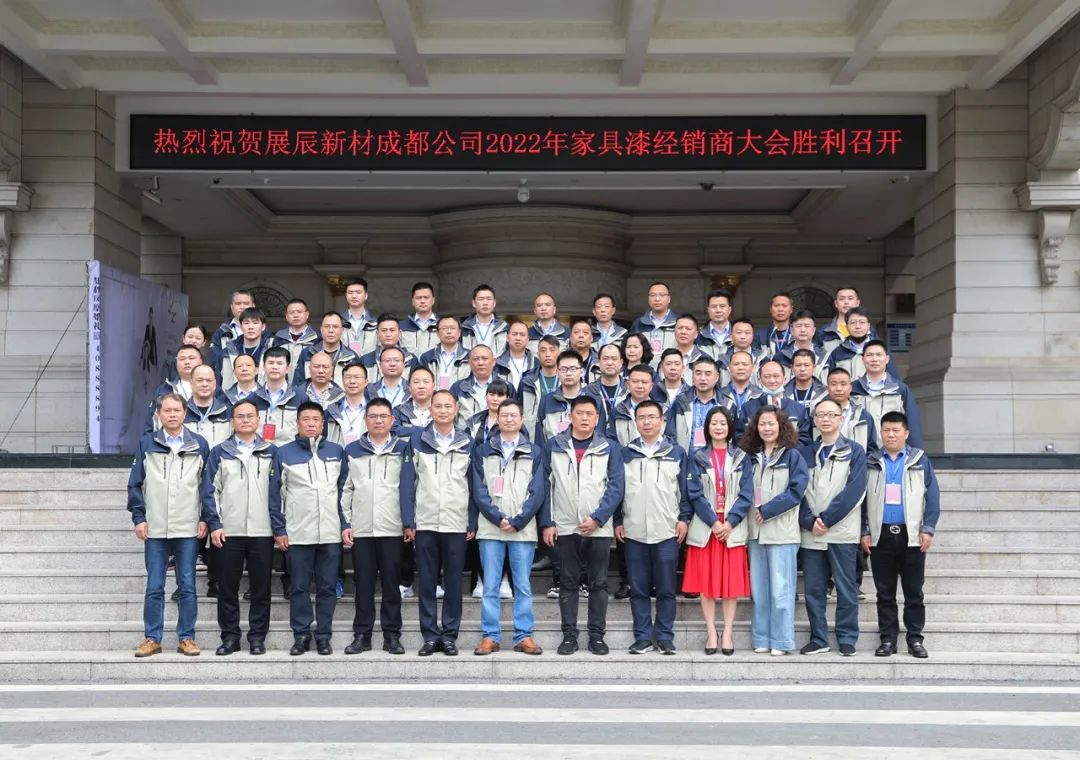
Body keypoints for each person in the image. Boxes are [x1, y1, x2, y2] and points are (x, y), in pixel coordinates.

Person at [127, 393, 213, 658]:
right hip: (155, 528)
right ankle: (152, 638)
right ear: (159, 414)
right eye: (167, 410)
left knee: (187, 585)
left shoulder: (199, 444)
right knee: (154, 586)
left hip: (188, 527)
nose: (172, 415)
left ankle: (187, 638)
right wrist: (139, 518)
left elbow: (207, 487)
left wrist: (205, 518)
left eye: (177, 410)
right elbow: (135, 484)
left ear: (185, 413)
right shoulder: (147, 444)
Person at [542, 395, 624, 656]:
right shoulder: (554, 445)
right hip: (565, 526)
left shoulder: (609, 447)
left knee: (599, 583)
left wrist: (598, 518)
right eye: (580, 413)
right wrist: (548, 522)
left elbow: (616, 486)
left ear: (597, 418)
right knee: (568, 582)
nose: (585, 418)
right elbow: (545, 486)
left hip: (598, 527)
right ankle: (569, 635)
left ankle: (597, 636)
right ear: (571, 416)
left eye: (590, 414)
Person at [203, 399, 280, 656]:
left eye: (250, 416)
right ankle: (230, 638)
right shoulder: (219, 452)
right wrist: (215, 524)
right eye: (240, 416)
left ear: (258, 420)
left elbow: (279, 492)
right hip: (229, 531)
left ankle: (257, 637)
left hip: (262, 531)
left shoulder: (271, 452)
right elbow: (210, 491)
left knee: (261, 589)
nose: (245, 420)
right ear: (232, 421)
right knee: (227, 588)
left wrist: (278, 527)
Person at [616, 400, 693, 655]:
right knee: (638, 589)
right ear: (635, 422)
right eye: (642, 418)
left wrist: (684, 519)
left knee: (666, 589)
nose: (647, 422)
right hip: (634, 530)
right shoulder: (626, 453)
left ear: (662, 421)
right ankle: (642, 637)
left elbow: (685, 492)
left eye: (652, 417)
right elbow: (616, 490)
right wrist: (617, 521)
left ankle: (664, 636)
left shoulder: (676, 452)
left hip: (666, 531)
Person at [470, 399, 546, 656]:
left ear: (522, 419)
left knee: (522, 585)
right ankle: (490, 636)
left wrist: (519, 520)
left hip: (522, 530)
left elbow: (537, 491)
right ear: (497, 419)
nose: (509, 419)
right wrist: (497, 517)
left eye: (514, 415)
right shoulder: (483, 450)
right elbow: (479, 490)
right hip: (491, 529)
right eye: (505, 415)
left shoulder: (534, 452)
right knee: (490, 585)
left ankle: (523, 635)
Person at [271, 402, 348, 656]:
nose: (311, 424)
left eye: (316, 419)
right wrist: (279, 529)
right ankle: (301, 635)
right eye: (306, 419)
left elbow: (344, 492)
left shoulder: (336, 451)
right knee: (299, 587)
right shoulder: (284, 453)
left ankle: (323, 636)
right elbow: (276, 495)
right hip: (298, 533)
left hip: (330, 532)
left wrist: (345, 524)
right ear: (298, 423)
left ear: (323, 424)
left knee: (327, 587)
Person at [863, 411, 940, 659]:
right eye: (886, 430)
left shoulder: (919, 461)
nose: (891, 435)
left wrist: (928, 528)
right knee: (884, 593)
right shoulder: (871, 462)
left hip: (912, 536)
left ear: (906, 434)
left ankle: (915, 639)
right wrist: (864, 530)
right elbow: (862, 500)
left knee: (914, 592)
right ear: (881, 433)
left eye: (896, 430)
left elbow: (933, 497)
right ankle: (887, 640)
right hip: (881, 535)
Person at [340, 398, 414, 656]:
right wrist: (346, 523)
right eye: (373, 416)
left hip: (393, 529)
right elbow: (346, 489)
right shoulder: (353, 450)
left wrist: (409, 521)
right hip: (362, 529)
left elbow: (410, 487)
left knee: (392, 585)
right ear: (365, 420)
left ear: (392, 420)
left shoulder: (403, 449)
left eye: (384, 416)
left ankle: (392, 635)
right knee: (363, 585)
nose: (379, 421)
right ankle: (362, 635)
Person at [405, 390, 475, 657]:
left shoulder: (467, 442)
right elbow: (408, 483)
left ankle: (449, 635)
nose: (443, 411)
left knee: (454, 582)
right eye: (438, 406)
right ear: (430, 410)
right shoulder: (418, 441)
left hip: (456, 522)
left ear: (456, 409)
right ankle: (429, 635)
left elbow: (474, 485)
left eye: (448, 406)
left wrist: (471, 520)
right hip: (425, 522)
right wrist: (409, 519)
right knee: (426, 581)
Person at [798, 398, 868, 657]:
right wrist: (809, 520)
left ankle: (847, 637)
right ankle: (818, 638)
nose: (826, 419)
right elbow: (797, 490)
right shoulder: (805, 453)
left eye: (831, 414)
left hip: (841, 532)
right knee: (814, 590)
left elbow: (855, 491)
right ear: (814, 420)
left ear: (841, 419)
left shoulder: (855, 451)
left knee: (846, 587)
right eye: (821, 415)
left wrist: (826, 519)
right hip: (811, 533)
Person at [683, 406, 753, 655]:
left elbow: (747, 493)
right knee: (706, 583)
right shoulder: (697, 457)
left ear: (730, 426)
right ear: (707, 427)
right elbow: (694, 493)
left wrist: (730, 522)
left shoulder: (741, 457)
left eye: (723, 423)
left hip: (731, 527)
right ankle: (711, 631)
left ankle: (728, 632)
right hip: (707, 526)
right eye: (714, 423)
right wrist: (713, 522)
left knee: (731, 585)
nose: (718, 427)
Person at [741, 405, 809, 656]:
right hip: (756, 532)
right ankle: (761, 637)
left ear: (781, 426)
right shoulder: (750, 457)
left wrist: (768, 509)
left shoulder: (792, 456)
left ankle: (781, 641)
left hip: (782, 531)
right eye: (762, 424)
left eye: (771, 424)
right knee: (759, 590)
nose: (767, 428)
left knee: (782, 590)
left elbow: (796, 491)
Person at [852, 339, 924, 449]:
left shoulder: (900, 389)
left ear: (887, 359)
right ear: (863, 360)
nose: (874, 359)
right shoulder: (852, 389)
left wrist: (915, 453)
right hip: (860, 453)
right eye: (869, 355)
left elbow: (912, 424)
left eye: (879, 355)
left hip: (890, 453)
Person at [745, 360, 812, 446]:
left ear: (784, 379)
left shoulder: (798, 409)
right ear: (760, 381)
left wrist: (789, 452)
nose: (772, 381)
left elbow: (804, 438)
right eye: (767, 377)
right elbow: (741, 436)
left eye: (776, 376)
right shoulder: (748, 408)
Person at [666, 357, 723, 452]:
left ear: (717, 377)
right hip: (686, 457)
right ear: (692, 376)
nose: (703, 378)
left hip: (716, 457)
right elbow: (670, 435)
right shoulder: (681, 401)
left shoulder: (726, 403)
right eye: (698, 373)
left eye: (708, 374)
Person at [251, 346, 301, 447]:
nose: (274, 367)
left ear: (287, 368)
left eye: (279, 363)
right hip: (260, 452)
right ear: (263, 367)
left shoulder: (300, 397)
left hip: (290, 452)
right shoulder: (252, 399)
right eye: (270, 363)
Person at [295, 312, 361, 386]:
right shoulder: (307, 353)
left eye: (335, 326)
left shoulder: (351, 357)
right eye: (327, 326)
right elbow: (298, 384)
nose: (331, 331)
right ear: (321, 329)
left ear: (342, 330)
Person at [215, 307, 273, 391]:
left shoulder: (271, 350)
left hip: (265, 397)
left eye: (255, 323)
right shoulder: (227, 352)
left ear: (263, 327)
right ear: (241, 326)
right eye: (246, 323)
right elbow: (218, 381)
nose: (250, 327)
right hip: (232, 397)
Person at [825, 368, 878, 457]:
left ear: (850, 388)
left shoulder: (863, 416)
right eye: (834, 384)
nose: (838, 388)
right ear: (827, 388)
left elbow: (871, 449)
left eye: (843, 384)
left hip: (856, 463)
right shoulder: (818, 415)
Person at [536, 350, 587, 444]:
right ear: (557, 372)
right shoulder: (547, 401)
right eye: (563, 369)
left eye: (573, 368)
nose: (568, 373)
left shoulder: (592, 399)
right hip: (554, 451)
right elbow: (540, 437)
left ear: (582, 372)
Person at [518, 334, 561, 435]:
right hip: (533, 434)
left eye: (552, 350)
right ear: (537, 354)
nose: (548, 354)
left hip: (560, 435)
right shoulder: (527, 382)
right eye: (543, 350)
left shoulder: (568, 379)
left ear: (559, 353)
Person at [817, 286, 877, 356]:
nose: (846, 302)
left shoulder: (870, 331)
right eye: (842, 299)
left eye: (850, 298)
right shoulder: (823, 331)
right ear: (836, 303)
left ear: (857, 302)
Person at [181, 365, 232, 447]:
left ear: (214, 384)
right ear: (191, 383)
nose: (204, 384)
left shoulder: (228, 413)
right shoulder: (181, 412)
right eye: (200, 380)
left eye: (208, 380)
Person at [450, 344, 500, 427]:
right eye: (476, 359)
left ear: (494, 361)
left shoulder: (506, 387)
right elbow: (449, 417)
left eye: (485, 358)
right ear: (469, 362)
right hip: (466, 434)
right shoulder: (458, 387)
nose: (480, 363)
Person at [360, 314, 418, 384]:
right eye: (384, 330)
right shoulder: (365, 360)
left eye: (392, 330)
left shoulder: (411, 360)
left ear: (399, 333)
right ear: (377, 333)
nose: (388, 334)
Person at [418, 315, 471, 391]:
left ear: (459, 332)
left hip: (460, 396)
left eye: (452, 328)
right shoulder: (427, 357)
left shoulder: (470, 356)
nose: (449, 332)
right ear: (437, 333)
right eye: (444, 328)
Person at [719, 350, 762, 442]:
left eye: (745, 364)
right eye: (736, 364)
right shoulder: (719, 395)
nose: (740, 368)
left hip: (753, 445)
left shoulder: (760, 395)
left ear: (753, 368)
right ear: (729, 367)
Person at [583, 343, 627, 425]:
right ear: (599, 362)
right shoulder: (587, 392)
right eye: (605, 359)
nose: (609, 363)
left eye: (614, 359)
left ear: (621, 362)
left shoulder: (630, 391)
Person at [630, 281, 678, 355]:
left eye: (662, 295)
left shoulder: (679, 322)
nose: (657, 299)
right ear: (648, 299)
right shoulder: (638, 323)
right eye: (653, 295)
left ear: (669, 299)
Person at [325, 362, 368, 445]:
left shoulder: (374, 410)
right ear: (342, 381)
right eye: (348, 377)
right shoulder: (331, 411)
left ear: (366, 382)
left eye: (357, 377)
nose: (352, 381)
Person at [461, 283, 509, 356]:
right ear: (474, 303)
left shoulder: (504, 328)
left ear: (494, 303)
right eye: (481, 299)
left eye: (489, 299)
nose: (485, 303)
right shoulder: (464, 328)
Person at [272, 298, 319, 369]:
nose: (296, 315)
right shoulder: (278, 338)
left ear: (307, 315)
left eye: (299, 312)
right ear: (287, 316)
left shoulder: (317, 338)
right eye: (292, 312)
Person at [399, 281, 441, 357]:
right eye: (418, 298)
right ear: (413, 301)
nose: (422, 301)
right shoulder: (401, 327)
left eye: (426, 297)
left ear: (433, 300)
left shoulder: (443, 325)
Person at [393, 365, 436, 435]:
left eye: (426, 382)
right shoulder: (398, 411)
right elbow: (394, 433)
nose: (421, 386)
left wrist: (410, 430)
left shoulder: (444, 410)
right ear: (409, 387)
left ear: (433, 386)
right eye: (416, 382)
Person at [496, 319, 538, 390]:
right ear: (507, 338)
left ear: (527, 339)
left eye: (522, 335)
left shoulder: (536, 363)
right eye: (514, 334)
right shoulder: (498, 363)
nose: (518, 338)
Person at [341, 277, 378, 357]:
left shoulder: (376, 322)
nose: (354, 296)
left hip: (370, 363)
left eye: (358, 292)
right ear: (346, 296)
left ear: (366, 296)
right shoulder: (338, 322)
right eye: (350, 292)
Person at [784, 348, 828, 412]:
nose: (802, 369)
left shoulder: (825, 393)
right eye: (798, 365)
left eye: (806, 365)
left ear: (814, 367)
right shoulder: (783, 393)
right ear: (792, 368)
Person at [753, 292, 795, 359]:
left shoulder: (797, 334)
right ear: (770, 309)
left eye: (784, 306)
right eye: (776, 305)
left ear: (791, 309)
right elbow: (755, 359)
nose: (780, 309)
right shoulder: (760, 335)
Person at [698, 289, 734, 360]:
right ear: (708, 310)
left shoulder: (739, 334)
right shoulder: (698, 335)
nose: (718, 310)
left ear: (729, 310)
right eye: (714, 307)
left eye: (722, 306)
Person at [673, 314, 709, 384]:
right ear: (674, 332)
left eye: (688, 329)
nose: (683, 332)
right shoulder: (666, 358)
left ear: (696, 334)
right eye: (680, 328)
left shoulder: (705, 359)